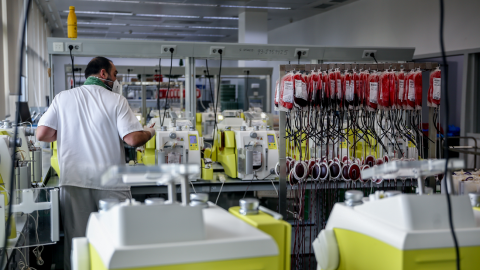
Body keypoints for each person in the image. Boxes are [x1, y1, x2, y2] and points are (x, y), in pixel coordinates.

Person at [36, 56, 155, 270]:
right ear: (103, 74)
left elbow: (42, 134)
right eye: (115, 74)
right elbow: (133, 139)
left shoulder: (63, 98)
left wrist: (70, 133)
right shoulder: (116, 100)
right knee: (116, 244)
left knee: (77, 245)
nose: (116, 79)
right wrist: (150, 132)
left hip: (74, 183)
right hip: (111, 185)